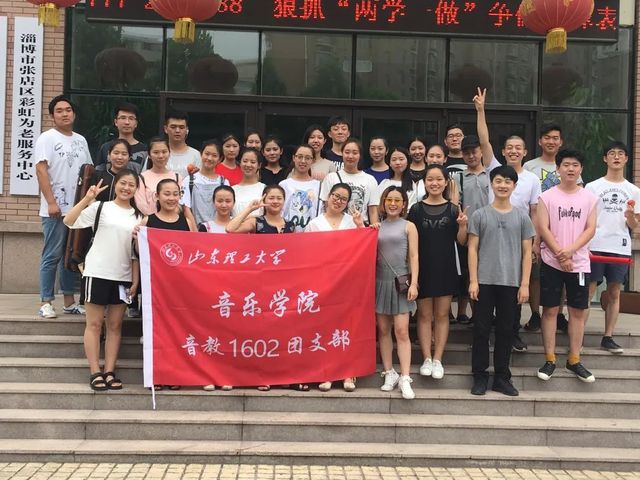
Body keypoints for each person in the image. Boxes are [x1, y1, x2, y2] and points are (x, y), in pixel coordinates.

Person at [64, 169, 142, 391]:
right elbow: (69, 221)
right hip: (97, 272)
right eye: (123, 183)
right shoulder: (100, 207)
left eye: (131, 185)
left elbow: (135, 253)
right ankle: (95, 372)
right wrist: (87, 198)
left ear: (136, 189)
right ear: (115, 184)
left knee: (115, 326)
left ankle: (109, 371)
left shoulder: (139, 217)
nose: (126, 188)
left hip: (123, 277)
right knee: (95, 324)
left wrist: (135, 281)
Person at [468, 165, 535, 396]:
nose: (503, 185)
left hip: (511, 283)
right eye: (498, 181)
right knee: (481, 330)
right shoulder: (480, 215)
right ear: (492, 184)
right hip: (484, 282)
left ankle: (502, 378)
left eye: (508, 181)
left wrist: (524, 284)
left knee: (506, 331)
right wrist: (473, 280)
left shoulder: (522, 217)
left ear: (514, 186)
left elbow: (527, 253)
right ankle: (479, 376)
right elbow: (472, 249)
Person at [227, 185, 297, 391]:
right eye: (271, 197)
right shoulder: (256, 222)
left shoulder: (291, 226)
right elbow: (230, 229)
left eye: (279, 198)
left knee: (281, 333)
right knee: (259, 332)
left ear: (284, 201)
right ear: (265, 199)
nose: (275, 201)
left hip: (283, 287)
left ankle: (281, 375)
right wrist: (250, 209)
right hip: (259, 285)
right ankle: (260, 375)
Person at [536, 148, 597, 383]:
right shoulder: (547, 197)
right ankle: (550, 359)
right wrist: (561, 255)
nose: (570, 169)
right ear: (558, 168)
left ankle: (574, 359)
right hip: (551, 261)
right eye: (566, 165)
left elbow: (590, 229)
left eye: (575, 165)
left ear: (581, 169)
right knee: (550, 310)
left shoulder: (589, 197)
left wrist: (570, 251)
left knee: (577, 312)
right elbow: (543, 227)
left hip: (579, 263)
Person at [408, 164, 469, 380]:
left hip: (446, 267)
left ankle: (438, 359)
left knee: (442, 315)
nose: (434, 183)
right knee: (424, 315)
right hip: (422, 268)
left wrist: (463, 226)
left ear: (446, 183)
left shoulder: (453, 209)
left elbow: (461, 242)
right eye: (430, 179)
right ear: (424, 183)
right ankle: (426, 357)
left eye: (439, 179)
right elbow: (410, 243)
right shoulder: (415, 210)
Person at [36, 95, 93, 319]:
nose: (64, 114)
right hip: (56, 210)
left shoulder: (81, 140)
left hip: (77, 210)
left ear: (74, 114)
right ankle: (46, 302)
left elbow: (87, 172)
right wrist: (51, 202)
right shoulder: (47, 138)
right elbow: (41, 170)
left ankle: (69, 302)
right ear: (52, 116)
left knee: (71, 255)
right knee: (52, 255)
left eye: (68, 110)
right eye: (59, 111)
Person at [305, 183, 365, 391]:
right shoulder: (314, 224)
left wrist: (360, 225)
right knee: (326, 327)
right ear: (328, 197)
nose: (338, 201)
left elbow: (365, 245)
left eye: (343, 199)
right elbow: (307, 254)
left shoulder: (351, 221)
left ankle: (349, 373)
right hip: (322, 282)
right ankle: (328, 372)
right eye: (335, 196)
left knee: (348, 327)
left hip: (348, 281)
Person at [451, 89, 502, 326]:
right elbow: (454, 205)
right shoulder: (458, 177)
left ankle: (491, 317)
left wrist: (480, 110)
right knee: (472, 277)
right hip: (469, 233)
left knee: (491, 277)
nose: (471, 155)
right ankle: (478, 318)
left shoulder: (492, 172)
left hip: (493, 232)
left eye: (474, 151)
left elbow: (484, 139)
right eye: (466, 152)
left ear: (481, 152)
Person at [585, 141, 640, 354]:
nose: (616, 157)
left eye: (620, 154)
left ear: (626, 159)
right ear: (605, 158)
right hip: (595, 244)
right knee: (589, 290)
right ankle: (578, 335)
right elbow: (585, 219)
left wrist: (630, 217)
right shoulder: (592, 187)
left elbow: (634, 225)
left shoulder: (634, 191)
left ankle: (608, 337)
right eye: (611, 153)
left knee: (614, 292)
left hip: (620, 246)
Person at [523, 125, 578, 333]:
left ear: (560, 142)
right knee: (535, 275)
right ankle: (535, 314)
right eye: (547, 137)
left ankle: (559, 313)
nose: (551, 141)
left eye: (555, 138)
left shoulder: (568, 165)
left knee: (561, 273)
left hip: (563, 229)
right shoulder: (529, 166)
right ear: (540, 141)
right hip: (536, 228)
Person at [376, 186, 419, 400]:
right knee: (383, 330)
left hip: (400, 281)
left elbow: (414, 256)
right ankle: (389, 372)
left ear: (403, 205)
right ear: (383, 203)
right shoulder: (376, 226)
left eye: (397, 200)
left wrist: (414, 283)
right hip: (380, 282)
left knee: (401, 331)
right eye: (389, 200)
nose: (392, 204)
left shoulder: (409, 226)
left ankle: (405, 376)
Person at [320, 139, 378, 225]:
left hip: (360, 227)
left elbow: (373, 210)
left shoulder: (370, 179)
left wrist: (374, 228)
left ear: (360, 156)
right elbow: (326, 206)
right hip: (336, 227)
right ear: (342, 154)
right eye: (347, 152)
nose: (350, 156)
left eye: (355, 153)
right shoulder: (331, 178)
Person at [181, 140, 229, 226]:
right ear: (201, 154)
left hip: (218, 230)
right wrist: (195, 230)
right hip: (195, 229)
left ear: (220, 159)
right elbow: (186, 208)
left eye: (214, 155)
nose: (209, 158)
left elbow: (227, 208)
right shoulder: (189, 180)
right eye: (207, 154)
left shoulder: (224, 182)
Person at [370, 147, 426, 220]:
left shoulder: (412, 185)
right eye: (394, 160)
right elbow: (376, 206)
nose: (398, 162)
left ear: (407, 162)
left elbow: (409, 210)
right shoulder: (384, 183)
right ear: (389, 163)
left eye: (401, 159)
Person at [134, 137, 182, 216]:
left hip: (173, 220)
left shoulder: (177, 177)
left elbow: (180, 203)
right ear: (149, 155)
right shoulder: (142, 178)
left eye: (164, 152)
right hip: (149, 220)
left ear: (169, 153)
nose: (160, 156)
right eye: (156, 152)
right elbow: (141, 205)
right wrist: (156, 219)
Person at [279, 145, 321, 232]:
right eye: (300, 157)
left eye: (307, 158)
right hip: (288, 234)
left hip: (313, 234)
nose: (303, 161)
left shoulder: (319, 186)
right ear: (294, 158)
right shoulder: (284, 185)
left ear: (313, 160)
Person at [95, 103, 147, 170]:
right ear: (116, 122)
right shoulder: (106, 147)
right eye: (123, 118)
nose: (127, 122)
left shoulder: (144, 150)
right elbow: (98, 173)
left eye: (131, 118)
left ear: (136, 123)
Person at [163, 111, 201, 178]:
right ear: (165, 129)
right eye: (173, 127)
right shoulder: (157, 153)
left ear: (187, 130)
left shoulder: (196, 155)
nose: (177, 130)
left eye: (181, 127)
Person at [232, 148, 266, 218]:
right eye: (245, 161)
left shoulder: (264, 189)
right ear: (240, 163)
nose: (248, 165)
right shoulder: (232, 190)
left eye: (253, 162)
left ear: (259, 165)